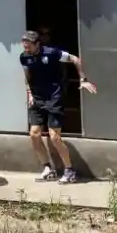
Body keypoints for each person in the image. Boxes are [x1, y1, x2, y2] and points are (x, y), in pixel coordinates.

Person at [20, 30, 96, 184]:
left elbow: (75, 59)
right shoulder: (24, 57)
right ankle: (47, 169)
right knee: (34, 134)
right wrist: (29, 93)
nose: (26, 48)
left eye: (28, 46)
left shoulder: (52, 53)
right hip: (37, 98)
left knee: (54, 137)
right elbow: (27, 75)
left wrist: (83, 79)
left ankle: (70, 170)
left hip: (54, 97)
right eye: (24, 46)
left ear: (37, 44)